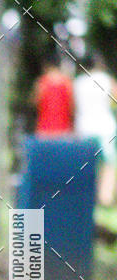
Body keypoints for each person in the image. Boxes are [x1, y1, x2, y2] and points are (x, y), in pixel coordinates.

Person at [74, 53, 117, 207]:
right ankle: (105, 198)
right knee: (108, 164)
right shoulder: (106, 79)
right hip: (105, 127)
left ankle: (86, 196)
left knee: (86, 164)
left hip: (84, 127)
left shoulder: (78, 82)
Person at [32, 51, 74, 136]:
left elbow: (35, 103)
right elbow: (72, 106)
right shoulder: (67, 82)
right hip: (64, 130)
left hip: (44, 130)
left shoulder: (41, 83)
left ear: (46, 65)